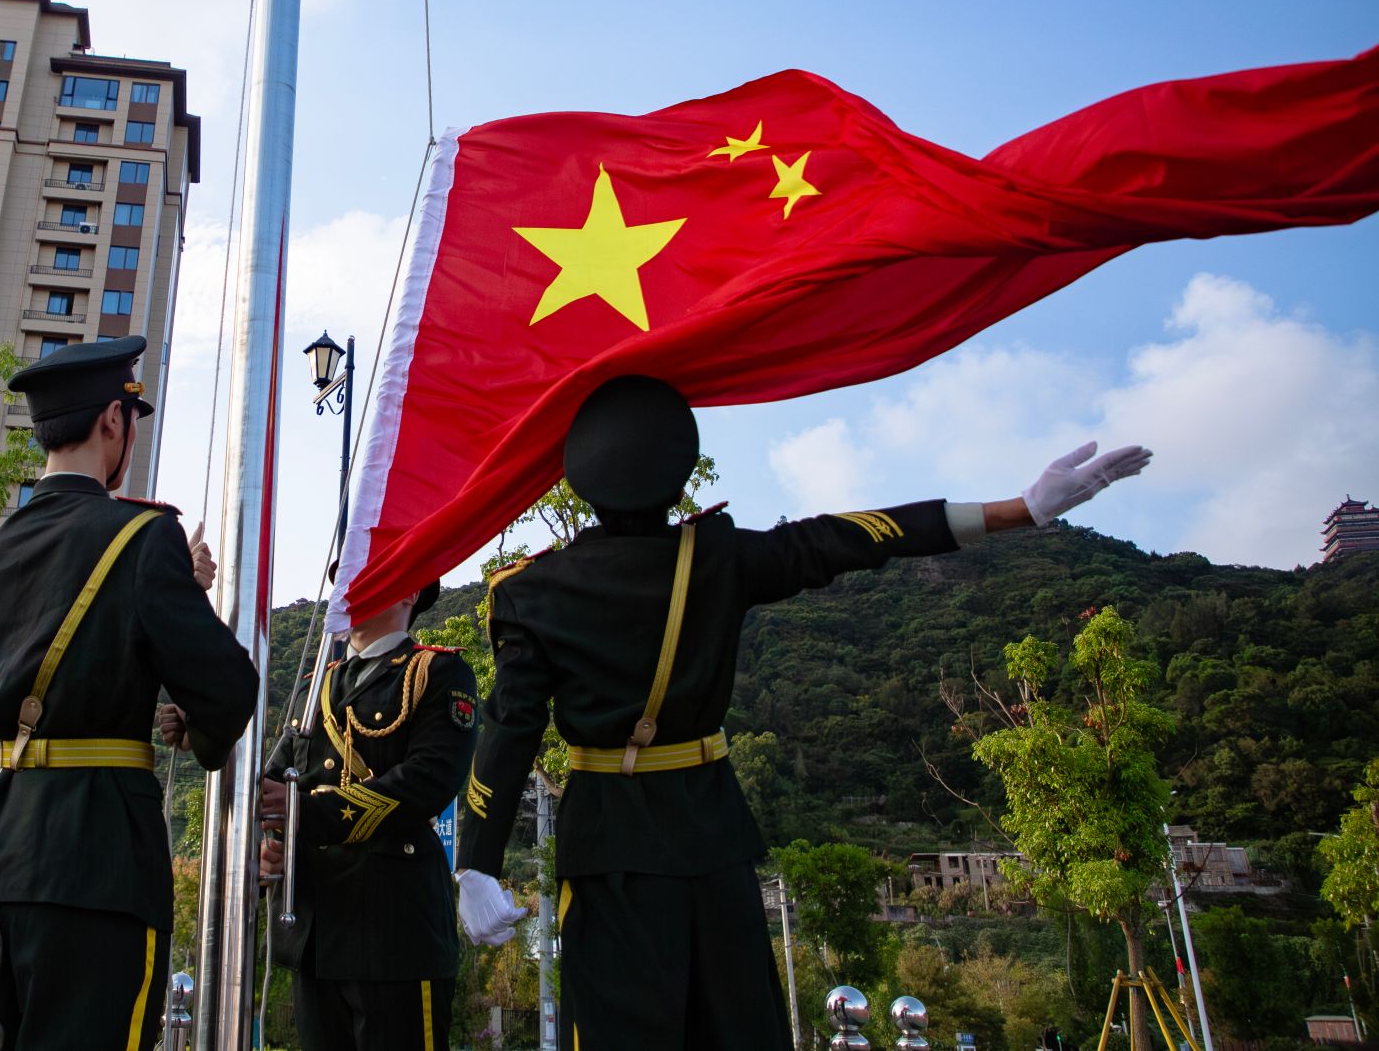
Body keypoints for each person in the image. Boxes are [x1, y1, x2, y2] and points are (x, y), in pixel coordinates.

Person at [453, 375, 1152, 1048]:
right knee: (740, 1030)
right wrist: (1017, 509)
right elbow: (843, 538)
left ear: (579, 478)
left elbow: (511, 729)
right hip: (713, 834)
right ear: (679, 473)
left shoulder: (529, 592)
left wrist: (476, 864)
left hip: (607, 846)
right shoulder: (716, 557)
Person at [0, 336, 257, 1050]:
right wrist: (199, 733)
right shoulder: (143, 535)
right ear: (114, 418)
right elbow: (227, 690)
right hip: (99, 859)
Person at [256, 579, 478, 1051]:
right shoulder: (316, 685)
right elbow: (273, 787)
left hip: (394, 927)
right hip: (315, 928)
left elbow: (427, 782)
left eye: (368, 571)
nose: (350, 586)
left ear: (409, 591)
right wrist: (265, 845)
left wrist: (305, 813)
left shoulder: (437, 672)